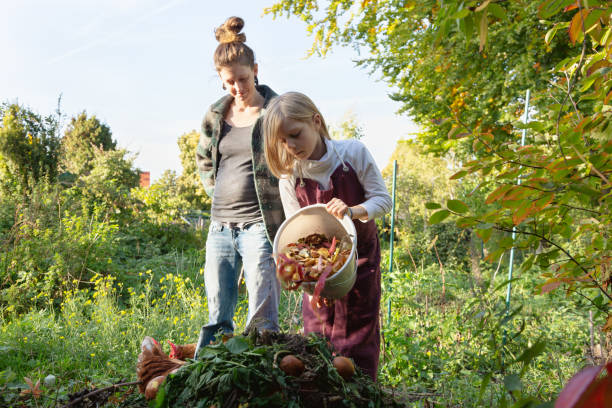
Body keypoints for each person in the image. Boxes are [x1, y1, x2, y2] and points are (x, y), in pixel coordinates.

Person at [262, 92, 392, 380]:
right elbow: (297, 236)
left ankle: (360, 393)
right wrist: (310, 284)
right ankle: (323, 393)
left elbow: (383, 201)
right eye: (283, 141)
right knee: (318, 337)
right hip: (318, 269)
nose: (291, 146)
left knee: (358, 333)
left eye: (295, 134)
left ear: (316, 122)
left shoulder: (352, 154)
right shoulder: (290, 177)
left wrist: (353, 210)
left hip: (360, 260)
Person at [194, 16, 284, 358]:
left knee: (262, 314)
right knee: (218, 313)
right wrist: (215, 191)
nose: (237, 88)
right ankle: (215, 371)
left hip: (260, 226)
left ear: (256, 69)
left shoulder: (275, 111)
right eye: (229, 82)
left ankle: (263, 372)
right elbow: (204, 158)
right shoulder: (215, 115)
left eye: (243, 79)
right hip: (219, 226)